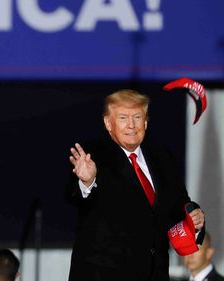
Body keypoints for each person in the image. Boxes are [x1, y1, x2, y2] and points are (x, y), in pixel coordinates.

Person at [66, 89, 205, 281]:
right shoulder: (91, 156)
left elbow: (178, 206)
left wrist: (193, 218)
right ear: (108, 123)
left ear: (146, 122)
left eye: (137, 117)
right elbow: (73, 196)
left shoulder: (163, 158)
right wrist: (87, 181)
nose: (131, 125)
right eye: (123, 117)